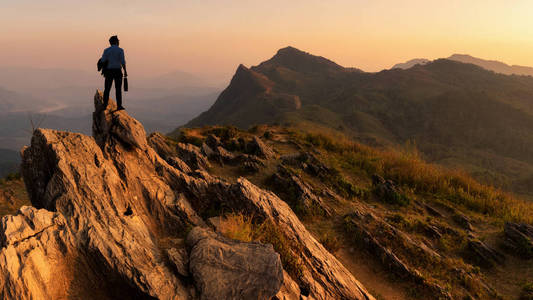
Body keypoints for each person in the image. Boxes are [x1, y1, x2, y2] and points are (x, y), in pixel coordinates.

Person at [100, 35, 127, 110]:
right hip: (118, 71)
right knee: (118, 89)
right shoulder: (120, 50)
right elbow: (123, 62)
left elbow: (102, 60)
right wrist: (125, 71)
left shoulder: (106, 50)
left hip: (109, 71)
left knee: (107, 88)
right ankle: (119, 105)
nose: (118, 42)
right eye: (118, 41)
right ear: (116, 41)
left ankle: (105, 104)